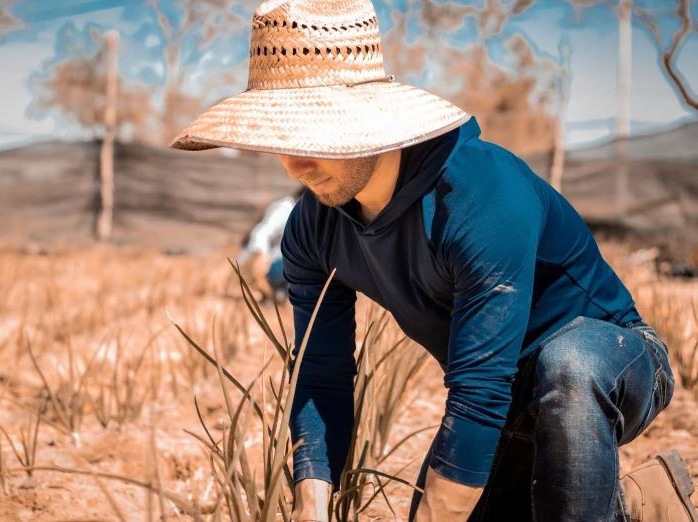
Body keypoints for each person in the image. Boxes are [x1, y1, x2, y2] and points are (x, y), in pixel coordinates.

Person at [168, 1, 697, 521]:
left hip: (612, 364)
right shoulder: (312, 227)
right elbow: (321, 371)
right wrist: (312, 505)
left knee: (569, 368)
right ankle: (644, 505)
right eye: (280, 138)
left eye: (309, 134)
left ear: (370, 116)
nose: (293, 166)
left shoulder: (482, 193)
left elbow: (478, 388)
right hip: (505, 396)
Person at [238, 187, 306, 303]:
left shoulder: (298, 212)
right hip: (266, 263)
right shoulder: (286, 207)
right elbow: (261, 232)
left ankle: (280, 292)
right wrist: (262, 255)